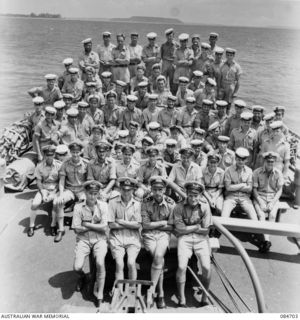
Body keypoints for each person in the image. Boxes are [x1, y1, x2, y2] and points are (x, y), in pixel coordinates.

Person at [174, 181, 212, 307]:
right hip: (184, 239)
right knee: (181, 267)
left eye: (196, 195)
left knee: (206, 267)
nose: (193, 198)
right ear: (187, 194)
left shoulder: (205, 207)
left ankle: (205, 297)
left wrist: (189, 228)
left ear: (200, 195)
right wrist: (196, 226)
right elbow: (179, 229)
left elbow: (206, 230)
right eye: (190, 195)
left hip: (201, 239)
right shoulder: (179, 207)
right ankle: (182, 297)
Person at [72, 180, 108, 309]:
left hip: (100, 239)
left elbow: (104, 227)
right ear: (85, 193)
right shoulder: (78, 207)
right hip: (84, 239)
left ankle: (100, 293)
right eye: (90, 193)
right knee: (77, 267)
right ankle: (83, 277)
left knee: (99, 263)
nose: (92, 196)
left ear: (98, 193)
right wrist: (95, 227)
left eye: (95, 193)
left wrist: (86, 224)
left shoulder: (103, 205)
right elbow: (76, 228)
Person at [141, 176, 175, 308]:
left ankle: (150, 291)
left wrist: (154, 224)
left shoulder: (171, 203)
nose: (157, 192)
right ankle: (160, 294)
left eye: (160, 189)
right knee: (159, 260)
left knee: (158, 256)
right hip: (149, 235)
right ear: (151, 189)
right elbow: (145, 225)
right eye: (154, 189)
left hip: (163, 235)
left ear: (165, 190)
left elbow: (172, 226)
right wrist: (162, 222)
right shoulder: (145, 202)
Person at [108, 177, 142, 284]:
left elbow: (137, 225)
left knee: (131, 263)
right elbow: (111, 224)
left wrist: (121, 222)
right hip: (116, 238)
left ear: (132, 190)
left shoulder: (137, 204)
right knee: (119, 264)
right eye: (123, 189)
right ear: (120, 189)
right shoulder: (113, 202)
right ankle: (120, 289)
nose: (126, 192)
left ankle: (132, 287)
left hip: (132, 239)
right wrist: (129, 224)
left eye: (129, 190)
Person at [54, 141, 88, 242]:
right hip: (70, 190)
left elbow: (88, 180)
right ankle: (60, 230)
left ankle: (80, 224)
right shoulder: (65, 164)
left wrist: (86, 193)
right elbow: (62, 180)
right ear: (70, 152)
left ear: (81, 152)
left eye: (77, 152)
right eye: (73, 152)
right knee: (58, 202)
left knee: (86, 202)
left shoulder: (86, 164)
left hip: (82, 189)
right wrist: (60, 194)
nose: (75, 154)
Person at [253, 152, 284, 253]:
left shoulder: (278, 173)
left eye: (272, 161)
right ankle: (266, 240)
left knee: (272, 215)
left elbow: (279, 190)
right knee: (261, 215)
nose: (270, 163)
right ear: (264, 161)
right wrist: (261, 202)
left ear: (274, 162)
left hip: (272, 197)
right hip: (260, 196)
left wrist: (272, 203)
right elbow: (254, 190)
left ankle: (266, 240)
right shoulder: (257, 172)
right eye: (268, 161)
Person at [27, 145, 61, 237]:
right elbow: (38, 181)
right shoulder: (39, 166)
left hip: (55, 189)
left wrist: (54, 193)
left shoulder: (59, 165)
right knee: (34, 204)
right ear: (44, 155)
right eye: (47, 155)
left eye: (51, 154)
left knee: (55, 204)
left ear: (54, 154)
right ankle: (31, 226)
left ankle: (53, 225)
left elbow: (61, 181)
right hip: (44, 188)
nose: (49, 157)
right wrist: (43, 193)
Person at [222, 147, 257, 220]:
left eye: (243, 160)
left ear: (246, 160)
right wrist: (242, 185)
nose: (240, 161)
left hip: (245, 198)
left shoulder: (249, 171)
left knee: (254, 218)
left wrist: (234, 187)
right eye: (238, 159)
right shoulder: (228, 170)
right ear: (235, 158)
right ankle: (222, 232)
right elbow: (228, 187)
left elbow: (249, 188)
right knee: (224, 217)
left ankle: (255, 231)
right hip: (231, 197)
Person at [160, 28, 179, 94]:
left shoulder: (177, 45)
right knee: (163, 79)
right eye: (168, 36)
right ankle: (163, 94)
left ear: (173, 36)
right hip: (165, 63)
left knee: (172, 81)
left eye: (171, 36)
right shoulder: (163, 45)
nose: (169, 37)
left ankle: (172, 95)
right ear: (166, 37)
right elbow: (161, 56)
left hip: (172, 64)